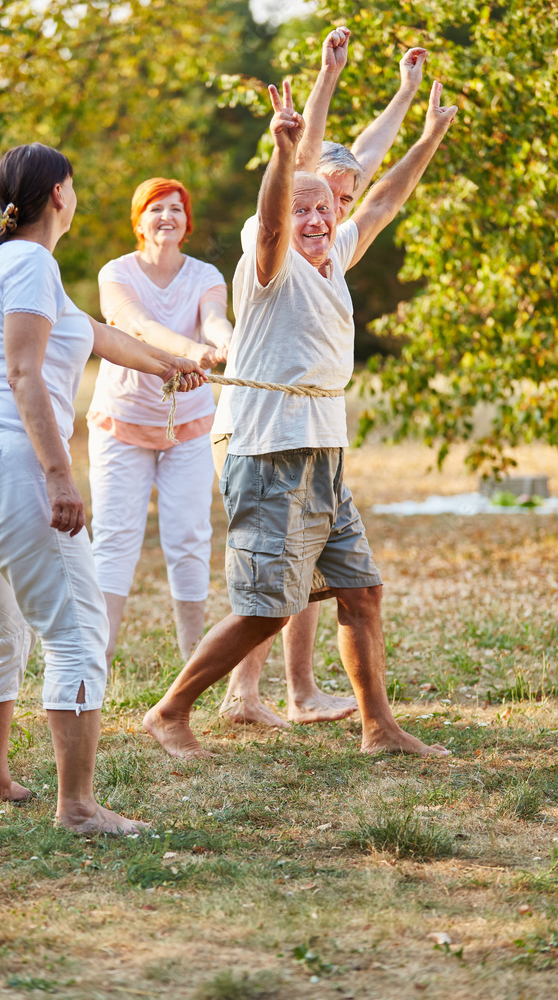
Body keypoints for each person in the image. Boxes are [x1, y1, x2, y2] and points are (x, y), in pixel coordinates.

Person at [143, 58, 458, 759]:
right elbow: (269, 219)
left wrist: (429, 135)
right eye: (302, 209)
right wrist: (285, 155)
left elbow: (383, 200)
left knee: (361, 591)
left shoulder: (334, 254)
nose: (316, 218)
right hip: (267, 453)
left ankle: (379, 729)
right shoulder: (272, 262)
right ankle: (170, 711)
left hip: (322, 450)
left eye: (325, 209)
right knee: (268, 609)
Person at [0, 143, 205, 833]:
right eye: (73, 187)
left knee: (2, 627)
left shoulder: (14, 263)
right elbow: (23, 373)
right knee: (78, 631)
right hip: (5, 463)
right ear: (59, 194)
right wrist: (58, 475)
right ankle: (77, 807)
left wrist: (168, 364)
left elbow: (94, 334)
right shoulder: (30, 262)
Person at [214, 30, 430, 728]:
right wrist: (326, 77)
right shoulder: (275, 231)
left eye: (339, 200)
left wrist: (407, 99)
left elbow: (376, 185)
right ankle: (240, 694)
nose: (332, 208)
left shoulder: (333, 241)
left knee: (316, 573)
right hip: (259, 426)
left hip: (311, 428)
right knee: (274, 577)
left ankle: (303, 691)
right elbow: (306, 161)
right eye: (323, 196)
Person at [87, 178, 232, 664]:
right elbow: (138, 326)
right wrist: (191, 351)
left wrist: (226, 341)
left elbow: (214, 317)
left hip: (189, 425)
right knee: (115, 537)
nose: (167, 216)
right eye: (156, 208)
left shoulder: (205, 274)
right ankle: (97, 658)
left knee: (190, 536)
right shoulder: (116, 273)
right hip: (122, 421)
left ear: (187, 222)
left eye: (176, 208)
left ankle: (192, 658)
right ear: (139, 220)